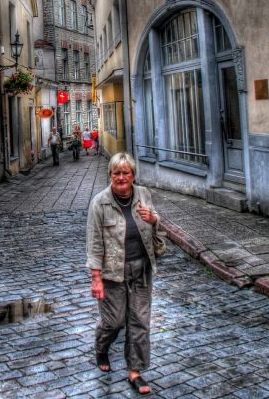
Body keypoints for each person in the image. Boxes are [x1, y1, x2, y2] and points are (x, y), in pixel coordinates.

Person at [86, 153, 165, 395]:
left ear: (133, 175)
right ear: (110, 175)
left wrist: (153, 219)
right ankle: (101, 346)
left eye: (126, 173)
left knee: (139, 322)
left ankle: (135, 372)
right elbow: (94, 244)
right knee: (114, 322)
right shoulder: (99, 203)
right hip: (112, 273)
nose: (121, 177)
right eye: (116, 173)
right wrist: (96, 279)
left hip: (141, 269)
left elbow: (155, 224)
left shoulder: (143, 195)